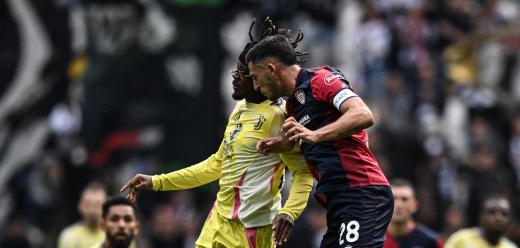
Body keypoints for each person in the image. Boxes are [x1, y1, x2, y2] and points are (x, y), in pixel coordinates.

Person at [120, 20, 313, 248]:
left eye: (242, 73)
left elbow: (302, 172)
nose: (234, 77)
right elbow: (216, 165)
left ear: (260, 75)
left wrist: (290, 212)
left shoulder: (279, 115)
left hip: (252, 230)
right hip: (218, 222)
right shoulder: (240, 109)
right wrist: (157, 181)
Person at [247, 34, 394, 247]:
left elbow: (363, 114)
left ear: (270, 69)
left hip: (362, 192)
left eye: (255, 77)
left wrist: (314, 135)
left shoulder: (321, 80)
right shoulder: (292, 106)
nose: (255, 86)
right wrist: (287, 144)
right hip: (338, 202)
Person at [385, 179, 443, 248]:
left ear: (414, 205)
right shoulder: (373, 239)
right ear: (386, 204)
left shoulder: (432, 242)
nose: (399, 205)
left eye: (404, 199)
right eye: (394, 198)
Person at [444, 195, 517, 248]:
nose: (498, 218)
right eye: (492, 212)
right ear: (481, 217)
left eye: (504, 214)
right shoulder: (461, 239)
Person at [58, 183, 107, 248]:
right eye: (88, 205)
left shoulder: (113, 235)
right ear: (80, 206)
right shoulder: (68, 236)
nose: (92, 210)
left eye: (97, 205)